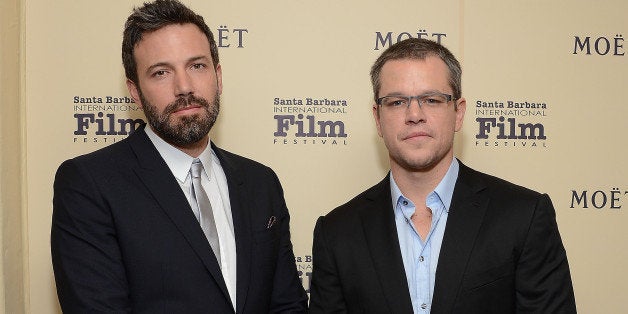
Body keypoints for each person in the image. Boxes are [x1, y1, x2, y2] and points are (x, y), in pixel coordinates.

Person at [51, 0, 307, 312]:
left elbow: (287, 306)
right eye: (161, 72)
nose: (184, 87)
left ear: (218, 76)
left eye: (197, 66)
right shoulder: (89, 184)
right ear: (134, 91)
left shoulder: (259, 182)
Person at [309, 38, 576, 313]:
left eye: (432, 100)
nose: (414, 115)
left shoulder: (523, 216)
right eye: (397, 102)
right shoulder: (337, 233)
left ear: (458, 113)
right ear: (378, 118)